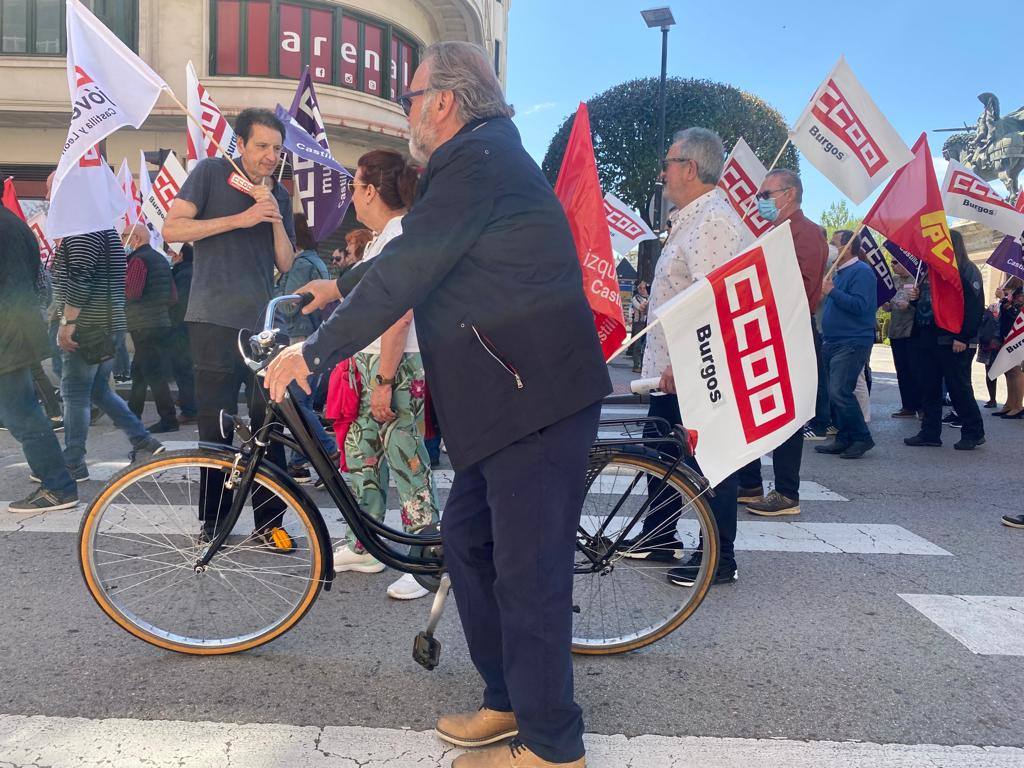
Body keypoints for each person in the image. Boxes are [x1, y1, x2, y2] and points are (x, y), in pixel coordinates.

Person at [265, 41, 610, 768]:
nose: (407, 113)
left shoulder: (475, 160)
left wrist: (312, 351)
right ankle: (508, 700)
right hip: (505, 397)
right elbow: (408, 258)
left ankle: (553, 748)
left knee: (529, 574)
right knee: (470, 545)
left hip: (533, 398)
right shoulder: (480, 160)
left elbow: (409, 272)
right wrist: (338, 287)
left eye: (411, 99)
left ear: (445, 102)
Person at [163, 107, 297, 550]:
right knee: (215, 428)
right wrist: (239, 220)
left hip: (260, 326)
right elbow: (173, 228)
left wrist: (273, 214)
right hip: (212, 319)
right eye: (262, 146)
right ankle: (214, 523)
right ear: (241, 144)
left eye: (277, 149)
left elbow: (286, 262)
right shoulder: (211, 173)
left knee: (268, 423)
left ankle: (269, 523)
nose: (270, 156)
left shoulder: (278, 192)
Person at [621, 127, 749, 588]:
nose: (663, 172)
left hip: (693, 369)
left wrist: (688, 364)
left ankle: (720, 555)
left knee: (708, 460)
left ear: (690, 168)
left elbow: (712, 300)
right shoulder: (689, 219)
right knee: (662, 451)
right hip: (668, 371)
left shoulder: (713, 221)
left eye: (669, 162)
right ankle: (659, 535)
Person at [327, 149, 440, 602]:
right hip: (372, 364)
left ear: (371, 190)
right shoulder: (382, 236)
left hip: (394, 364)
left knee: (407, 460)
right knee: (363, 456)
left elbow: (399, 313)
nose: (351, 195)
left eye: (355, 185)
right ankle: (365, 544)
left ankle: (425, 555)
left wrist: (385, 380)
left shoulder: (399, 235)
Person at [47, 175, 165, 480]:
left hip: (87, 325)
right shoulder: (103, 229)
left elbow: (81, 278)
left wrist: (67, 322)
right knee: (98, 390)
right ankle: (143, 440)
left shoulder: (83, 230)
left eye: (53, 188)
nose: (48, 194)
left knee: (74, 394)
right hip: (107, 323)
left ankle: (73, 460)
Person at [739, 169, 828, 516]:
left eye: (766, 194)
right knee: (756, 406)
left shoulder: (804, 234)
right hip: (770, 330)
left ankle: (787, 492)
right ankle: (749, 483)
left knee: (785, 415)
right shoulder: (777, 232)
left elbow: (800, 289)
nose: (760, 201)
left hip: (788, 331)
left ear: (789, 194)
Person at [0, 204, 78, 512]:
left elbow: (12, 286)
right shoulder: (15, 225)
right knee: (21, 412)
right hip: (17, 329)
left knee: (22, 415)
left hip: (9, 334)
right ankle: (54, 476)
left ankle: (58, 485)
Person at [904, 230, 985, 450]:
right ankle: (930, 432)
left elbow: (975, 306)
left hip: (953, 338)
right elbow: (928, 304)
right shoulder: (930, 270)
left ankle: (974, 431)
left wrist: (963, 336)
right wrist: (916, 300)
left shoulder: (967, 270)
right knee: (929, 387)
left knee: (958, 387)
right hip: (928, 336)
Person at [274, 213, 338, 483]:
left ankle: (329, 449)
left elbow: (290, 304)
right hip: (314, 335)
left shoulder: (300, 264)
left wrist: (273, 295)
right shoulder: (317, 261)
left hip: (298, 338)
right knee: (306, 400)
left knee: (297, 403)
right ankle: (299, 462)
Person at [814, 230, 877, 459]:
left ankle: (862, 437)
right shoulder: (839, 273)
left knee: (840, 391)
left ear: (848, 247)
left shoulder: (862, 272)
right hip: (833, 340)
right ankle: (844, 438)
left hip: (852, 341)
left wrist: (832, 291)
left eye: (834, 243)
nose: (830, 247)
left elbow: (861, 306)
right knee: (835, 393)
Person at [122, 224, 179, 433]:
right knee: (139, 371)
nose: (122, 241)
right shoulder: (159, 259)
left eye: (124, 236)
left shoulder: (138, 260)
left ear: (135, 238)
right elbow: (172, 295)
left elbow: (133, 292)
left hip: (143, 323)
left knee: (154, 374)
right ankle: (131, 415)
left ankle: (168, 419)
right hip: (160, 321)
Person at [887, 261, 922, 417]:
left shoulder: (917, 280)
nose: (893, 265)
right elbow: (887, 299)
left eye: (896, 262)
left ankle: (921, 407)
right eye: (892, 262)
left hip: (911, 331)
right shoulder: (893, 281)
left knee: (915, 370)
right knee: (901, 370)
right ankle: (907, 406)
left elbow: (924, 305)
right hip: (896, 329)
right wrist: (886, 305)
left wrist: (909, 306)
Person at [168, 244, 197, 423]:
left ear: (180, 255)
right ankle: (188, 402)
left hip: (182, 329)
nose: (169, 255)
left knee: (184, 369)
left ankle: (190, 409)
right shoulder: (186, 271)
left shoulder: (185, 274)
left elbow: (181, 304)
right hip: (186, 328)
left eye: (172, 252)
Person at [993, 289, 1024, 417]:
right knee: (1009, 372)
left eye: (1021, 296)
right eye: (1018, 295)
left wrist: (1003, 299)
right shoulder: (1014, 304)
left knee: (1017, 372)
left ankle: (1018, 406)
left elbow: (1015, 316)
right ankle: (1010, 404)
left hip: (1019, 341)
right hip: (1007, 338)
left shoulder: (1018, 307)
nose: (1018, 298)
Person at [977, 301, 1000, 408]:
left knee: (991, 372)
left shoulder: (1001, 306)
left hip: (992, 343)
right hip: (992, 343)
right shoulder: (996, 306)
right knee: (990, 372)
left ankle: (993, 399)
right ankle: (992, 399)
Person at [628, 280, 648, 373]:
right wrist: (648, 303)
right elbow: (641, 307)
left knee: (646, 345)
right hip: (639, 323)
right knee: (638, 345)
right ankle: (636, 365)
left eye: (644, 287)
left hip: (647, 322)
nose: (643, 290)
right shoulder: (635, 298)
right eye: (640, 288)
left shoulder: (648, 297)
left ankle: (644, 365)